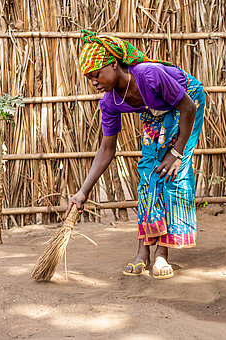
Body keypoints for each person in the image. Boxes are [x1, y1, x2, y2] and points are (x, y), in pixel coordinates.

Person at [66, 30, 205, 279]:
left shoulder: (148, 74)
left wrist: (176, 152)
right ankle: (143, 251)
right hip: (157, 108)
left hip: (187, 102)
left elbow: (187, 106)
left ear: (113, 64)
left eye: (96, 74)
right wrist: (82, 192)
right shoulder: (110, 102)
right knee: (148, 174)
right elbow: (107, 148)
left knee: (170, 173)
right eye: (89, 78)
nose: (94, 82)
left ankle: (162, 254)